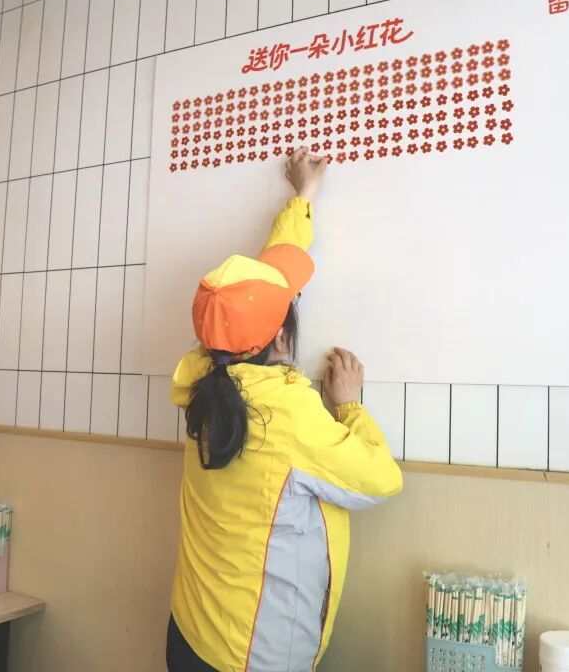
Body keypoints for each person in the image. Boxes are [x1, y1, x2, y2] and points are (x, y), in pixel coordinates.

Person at [165, 149, 404, 671]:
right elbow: (380, 479)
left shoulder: (202, 374)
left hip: (189, 631)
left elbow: (262, 287)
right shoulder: (286, 413)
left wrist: (302, 198)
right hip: (252, 656)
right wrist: (349, 407)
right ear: (280, 337)